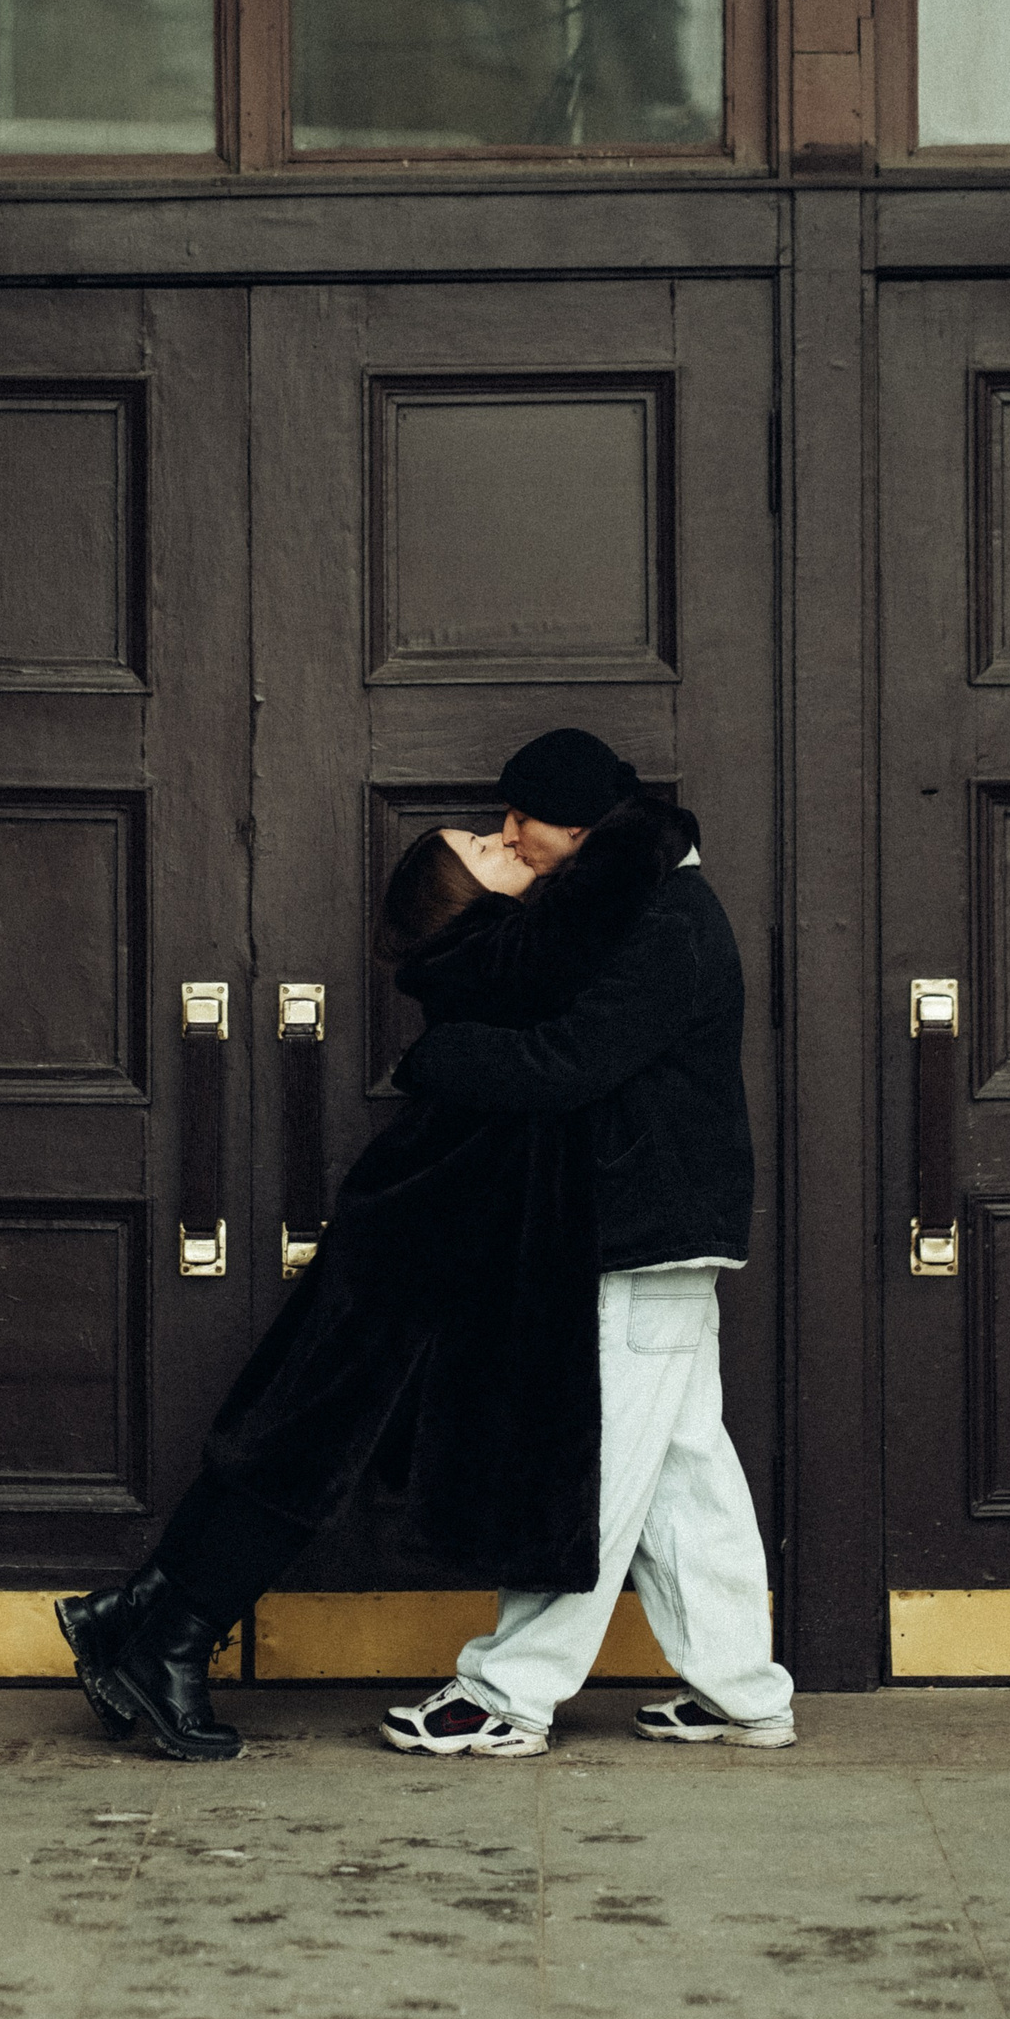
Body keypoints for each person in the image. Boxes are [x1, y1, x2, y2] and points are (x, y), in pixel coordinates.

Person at [55, 729, 702, 1761]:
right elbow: (589, 946)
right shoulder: (496, 966)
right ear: (467, 903)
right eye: (486, 852)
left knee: (285, 1435)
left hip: (415, 1245)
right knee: (300, 1450)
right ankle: (170, 1638)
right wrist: (640, 827)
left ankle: (135, 1612)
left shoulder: (491, 964)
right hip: (417, 1253)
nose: (508, 843)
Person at [379, 725, 795, 1758]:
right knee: (686, 1478)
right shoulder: (652, 904)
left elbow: (568, 1063)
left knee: (591, 1473)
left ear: (575, 826)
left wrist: (440, 1059)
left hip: (637, 1230)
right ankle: (745, 1691)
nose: (509, 833)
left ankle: (507, 1694)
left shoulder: (668, 921)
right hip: (661, 1228)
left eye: (523, 818)